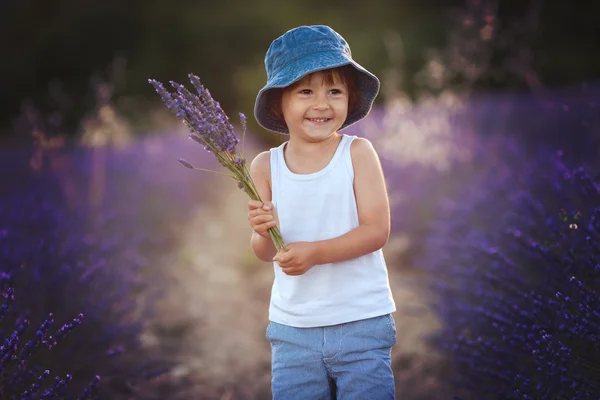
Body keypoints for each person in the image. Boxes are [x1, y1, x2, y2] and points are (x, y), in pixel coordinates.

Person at [247, 25, 396, 399]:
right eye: (305, 92)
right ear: (280, 101)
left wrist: (315, 252)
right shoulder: (265, 166)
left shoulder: (357, 153)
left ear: (350, 98)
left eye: (334, 90)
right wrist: (262, 232)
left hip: (361, 320)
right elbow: (265, 253)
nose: (321, 103)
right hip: (294, 329)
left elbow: (376, 230)